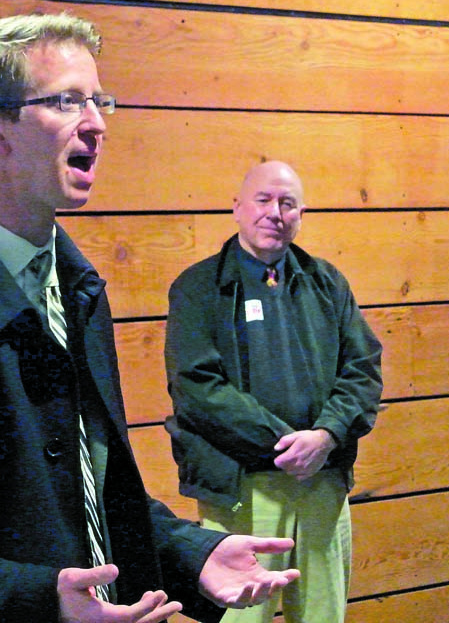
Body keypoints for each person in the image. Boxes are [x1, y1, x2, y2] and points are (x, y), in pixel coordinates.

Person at [0, 13, 300, 623]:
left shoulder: (77, 287)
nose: (95, 123)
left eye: (98, 100)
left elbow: (88, 492)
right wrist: (42, 602)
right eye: (67, 101)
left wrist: (192, 550)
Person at [164, 161, 383, 622]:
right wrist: (286, 442)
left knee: (324, 613)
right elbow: (197, 387)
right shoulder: (198, 288)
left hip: (322, 478)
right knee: (244, 616)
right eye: (263, 200)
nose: (275, 213)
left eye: (287, 203)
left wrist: (325, 436)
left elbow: (363, 369)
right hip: (242, 485)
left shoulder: (327, 283)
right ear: (238, 208)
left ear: (301, 213)